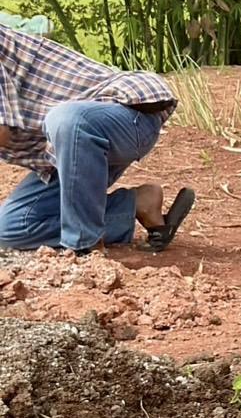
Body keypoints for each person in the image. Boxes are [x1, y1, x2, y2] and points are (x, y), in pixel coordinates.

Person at [0, 25, 194, 254]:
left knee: (65, 119)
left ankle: (84, 246)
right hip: (66, 150)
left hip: (127, 113)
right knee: (11, 230)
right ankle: (136, 204)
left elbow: (3, 131)